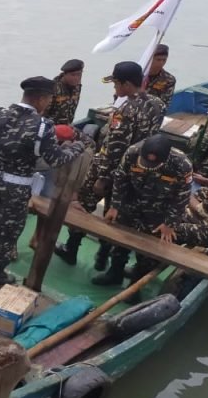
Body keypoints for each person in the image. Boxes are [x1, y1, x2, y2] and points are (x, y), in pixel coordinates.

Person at [0, 77, 86, 285]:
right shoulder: (42, 127)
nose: (49, 103)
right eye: (49, 99)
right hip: (16, 188)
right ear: (41, 99)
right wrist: (76, 147)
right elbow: (56, 159)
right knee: (8, 229)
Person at [55, 61, 166, 267]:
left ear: (125, 84)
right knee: (117, 214)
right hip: (136, 170)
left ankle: (71, 248)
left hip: (110, 167)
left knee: (84, 205)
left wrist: (103, 177)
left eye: (116, 84)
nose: (114, 88)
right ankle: (103, 258)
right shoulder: (157, 104)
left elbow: (115, 146)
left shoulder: (125, 111)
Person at [95, 135, 192, 285]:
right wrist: (115, 206)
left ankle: (135, 284)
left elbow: (182, 196)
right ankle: (114, 274)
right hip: (131, 203)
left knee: (148, 252)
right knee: (121, 241)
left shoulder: (182, 164)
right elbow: (121, 179)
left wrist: (170, 223)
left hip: (158, 211)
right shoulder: (132, 153)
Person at [47, 58, 84, 126]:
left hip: (67, 126)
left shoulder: (77, 87)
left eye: (79, 74)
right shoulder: (53, 89)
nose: (76, 78)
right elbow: (42, 113)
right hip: (52, 128)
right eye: (72, 75)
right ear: (64, 74)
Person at [146, 43, 176, 109]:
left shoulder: (169, 79)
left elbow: (164, 103)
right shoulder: (138, 75)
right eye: (158, 60)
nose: (161, 63)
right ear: (150, 59)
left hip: (153, 112)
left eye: (164, 60)